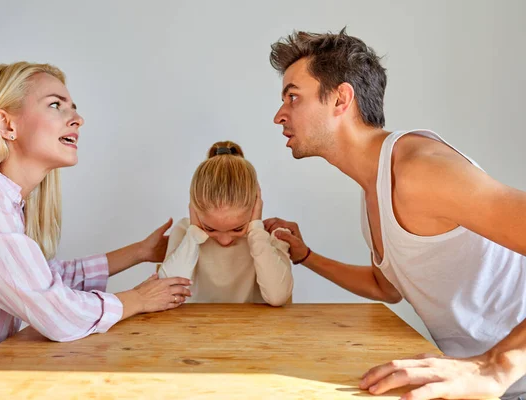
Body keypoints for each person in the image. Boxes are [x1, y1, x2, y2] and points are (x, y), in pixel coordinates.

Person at [264, 29, 526, 400]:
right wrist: (306, 257)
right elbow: (386, 286)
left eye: (293, 97)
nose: (279, 115)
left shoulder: (420, 170)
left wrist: (496, 366)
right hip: (472, 383)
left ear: (341, 99)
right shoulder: (375, 187)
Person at [0, 62, 191, 386]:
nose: (77, 118)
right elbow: (53, 310)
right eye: (55, 105)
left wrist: (139, 252)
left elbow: (41, 277)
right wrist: (138, 299)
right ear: (6, 124)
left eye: (73, 108)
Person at [158, 141, 293, 306]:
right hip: (194, 329)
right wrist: (194, 234)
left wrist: (256, 231)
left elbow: (277, 297)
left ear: (255, 206)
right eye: (210, 229)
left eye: (237, 229)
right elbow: (165, 294)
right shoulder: (185, 231)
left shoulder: (270, 235)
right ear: (194, 208)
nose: (224, 240)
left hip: (255, 330)